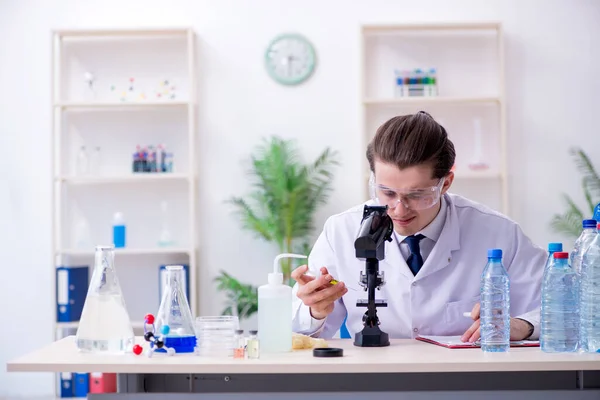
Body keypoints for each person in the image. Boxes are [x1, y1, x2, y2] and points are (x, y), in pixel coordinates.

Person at [290, 111, 546, 343]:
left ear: (445, 184)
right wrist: (315, 311)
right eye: (387, 192)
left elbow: (561, 306)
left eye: (417, 194)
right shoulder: (341, 232)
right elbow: (299, 336)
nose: (399, 209)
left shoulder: (498, 233)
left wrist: (522, 325)